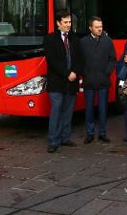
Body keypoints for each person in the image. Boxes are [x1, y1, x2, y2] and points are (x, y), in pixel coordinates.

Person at [44, 10, 84, 153]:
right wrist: (67, 73)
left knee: (68, 111)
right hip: (57, 83)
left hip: (71, 82)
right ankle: (53, 141)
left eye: (70, 22)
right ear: (58, 23)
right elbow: (52, 61)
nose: (68, 25)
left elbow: (80, 59)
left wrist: (75, 73)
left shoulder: (75, 39)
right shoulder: (50, 39)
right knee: (56, 110)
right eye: (65, 22)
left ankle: (65, 138)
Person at [81, 16, 116, 144]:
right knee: (89, 108)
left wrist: (106, 73)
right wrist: (85, 73)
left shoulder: (108, 41)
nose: (99, 29)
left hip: (103, 80)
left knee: (103, 108)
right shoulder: (83, 42)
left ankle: (102, 133)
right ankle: (89, 134)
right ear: (90, 28)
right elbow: (80, 60)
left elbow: (113, 60)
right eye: (96, 27)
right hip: (89, 80)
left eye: (101, 27)